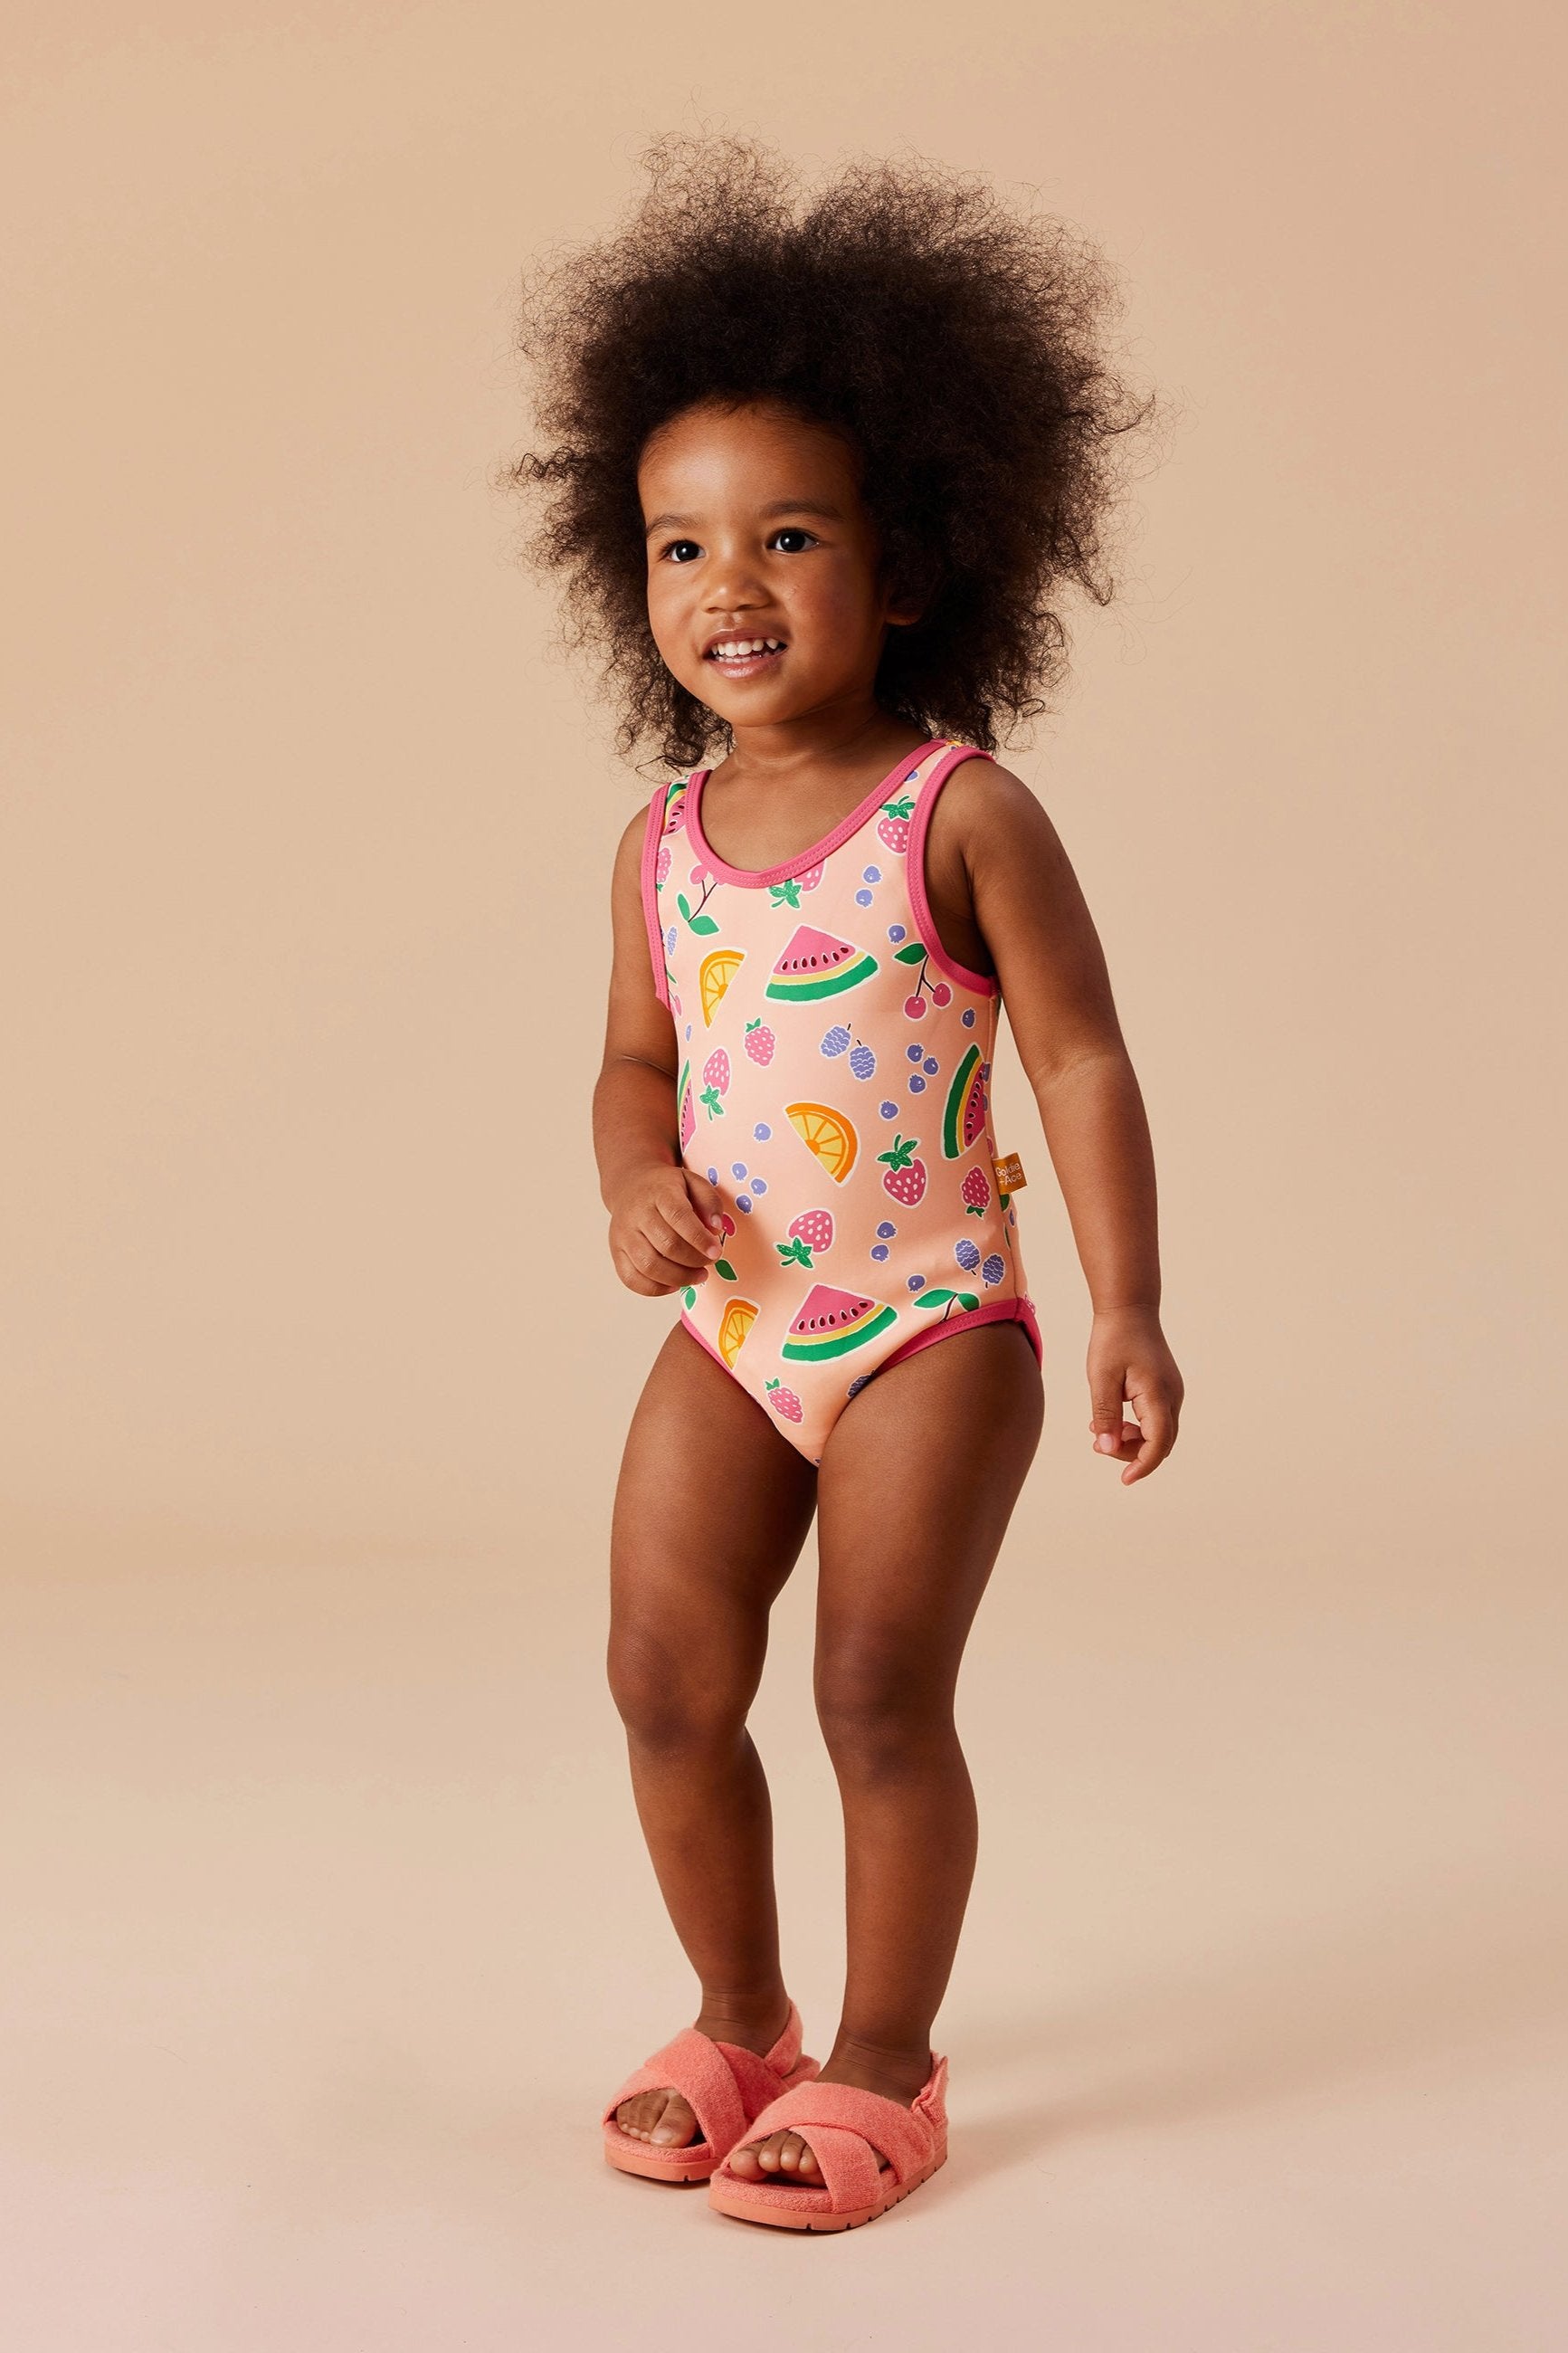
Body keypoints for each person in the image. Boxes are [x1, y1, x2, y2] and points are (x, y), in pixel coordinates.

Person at [508, 137, 1185, 2233]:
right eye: (679, 544)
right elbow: (637, 1063)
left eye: (787, 536)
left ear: (908, 564)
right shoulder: (659, 844)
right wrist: (635, 1184)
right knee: (658, 1671)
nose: (728, 585)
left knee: (875, 1689)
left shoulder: (957, 807)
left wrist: (1131, 1302)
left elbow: (1076, 1052)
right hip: (740, 1326)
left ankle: (890, 2059)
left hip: (926, 1327)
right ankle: (740, 2017)